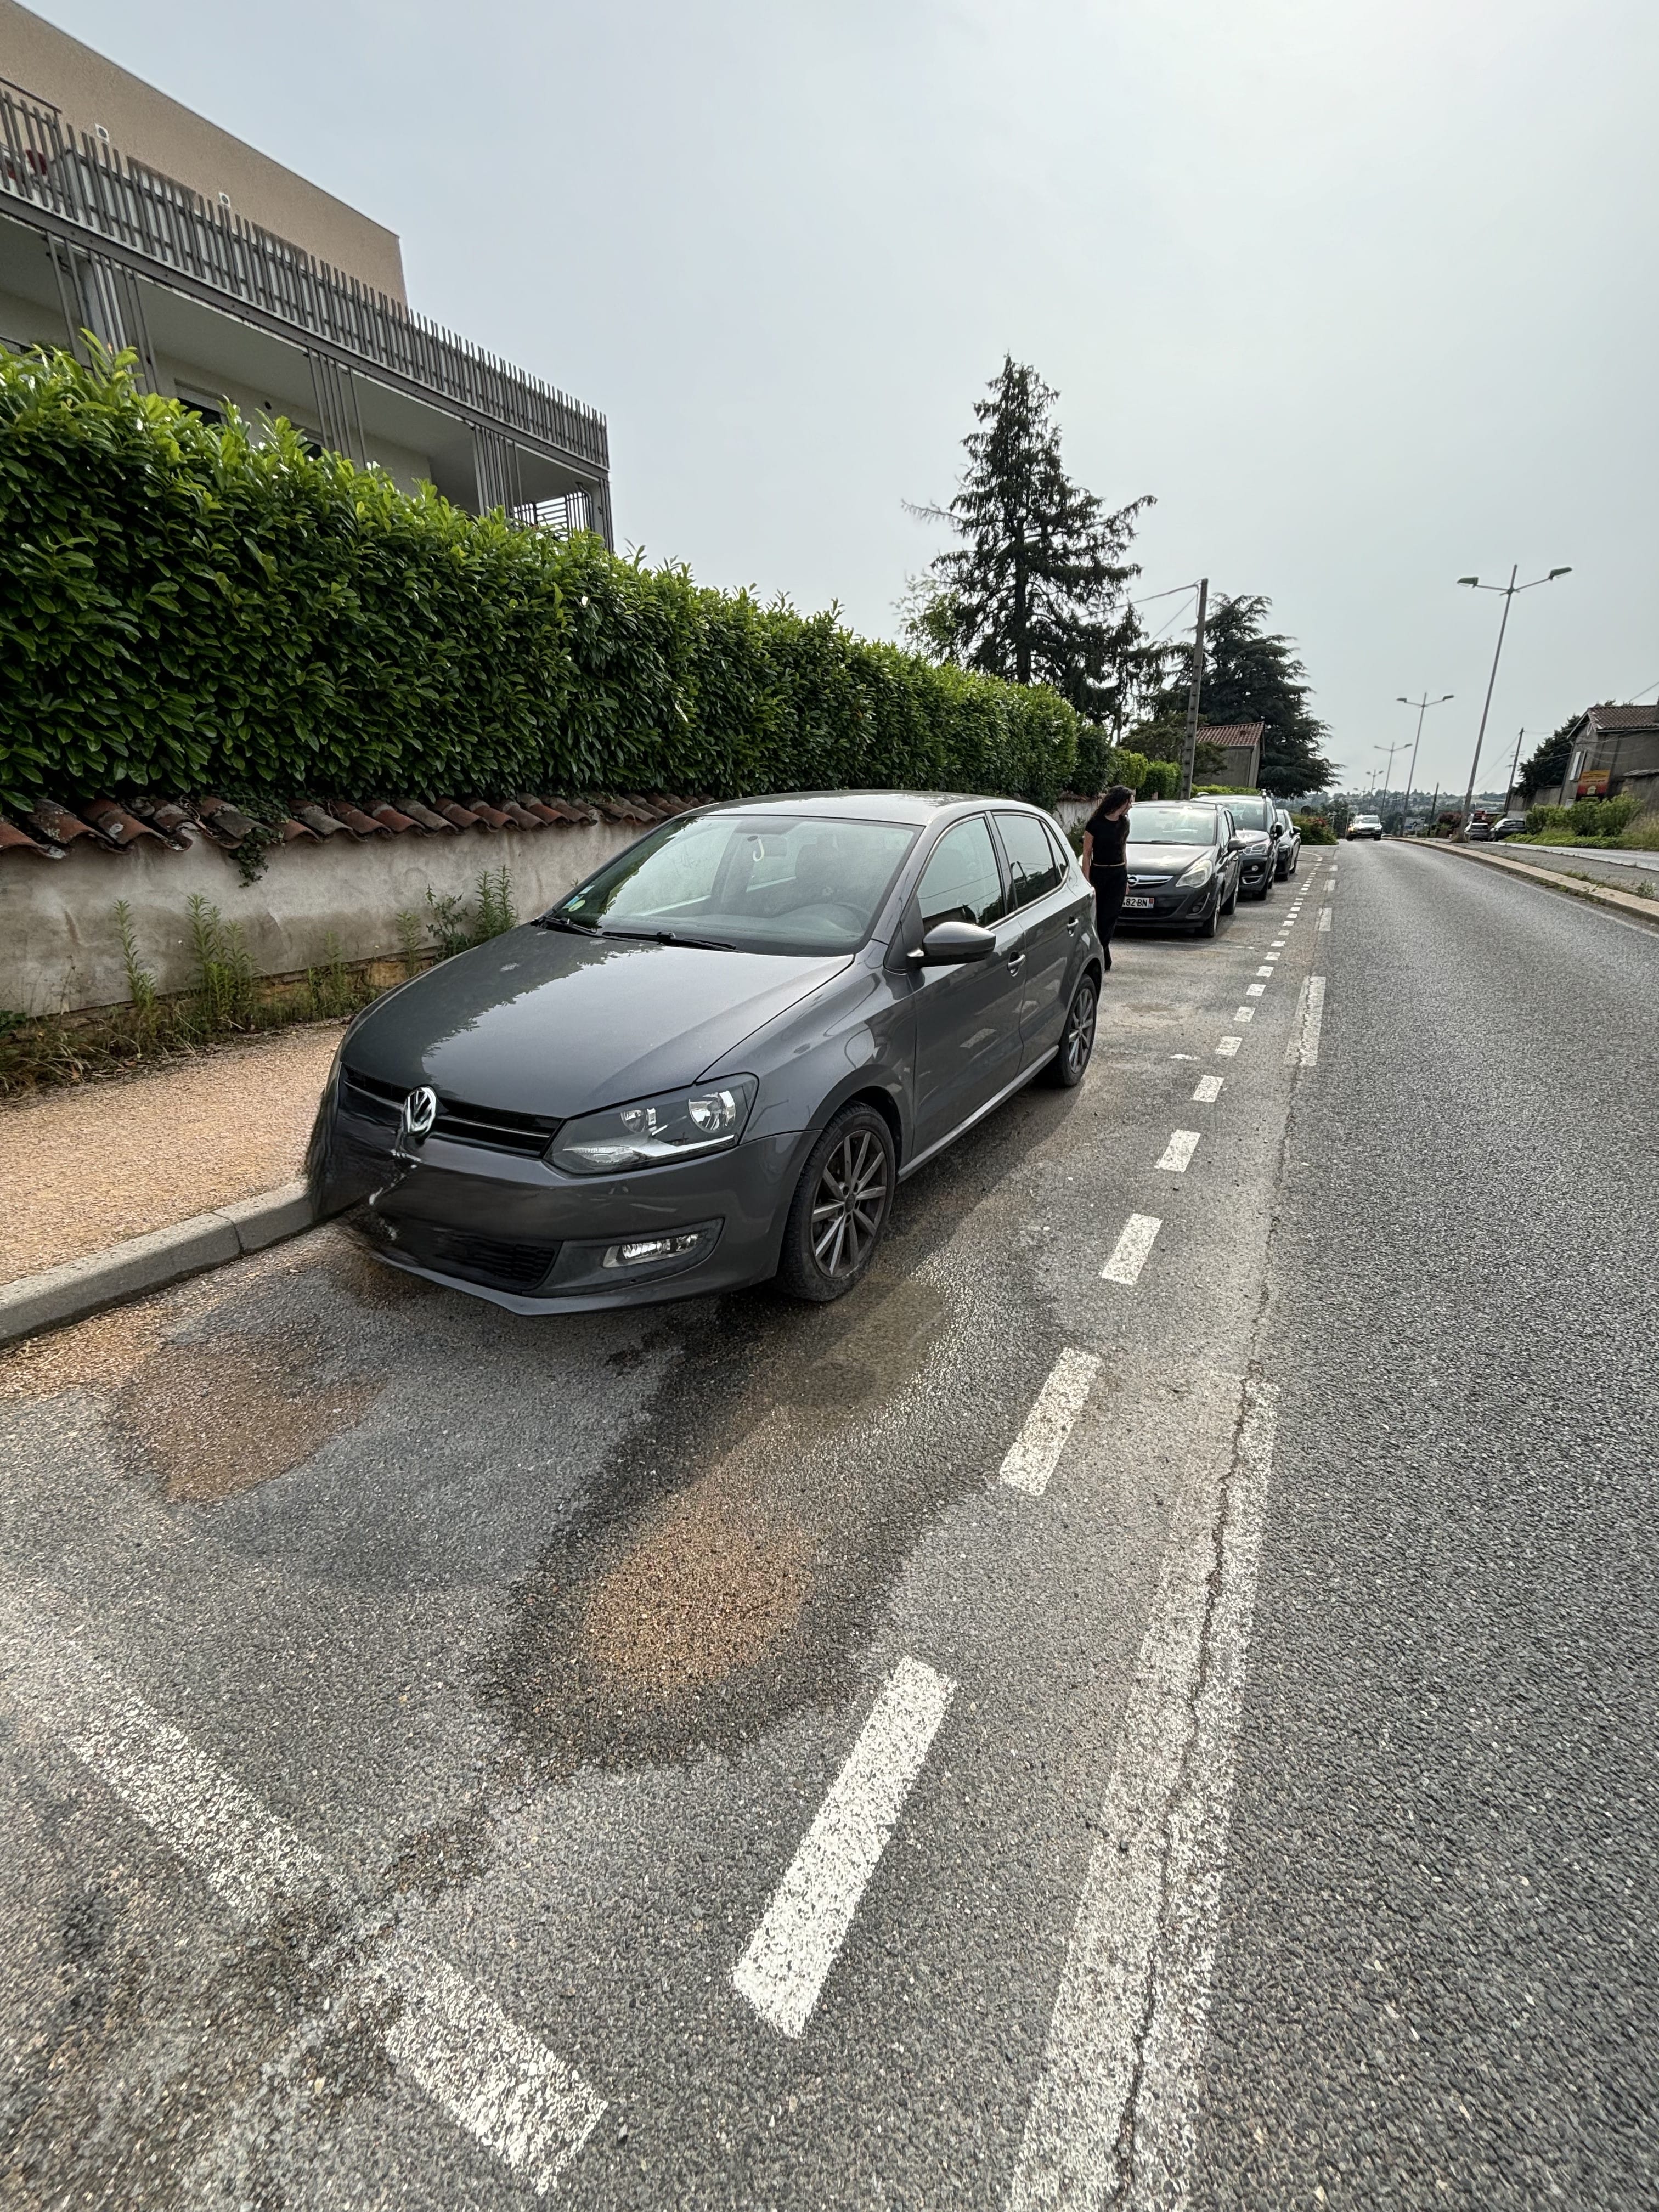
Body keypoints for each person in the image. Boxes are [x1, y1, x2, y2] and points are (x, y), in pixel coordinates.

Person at [1080, 783, 1135, 970]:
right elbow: (1087, 854)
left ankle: (1102, 954)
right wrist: (1087, 882)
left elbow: (1124, 850)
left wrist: (1126, 878)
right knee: (1099, 917)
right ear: (1120, 802)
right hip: (1099, 874)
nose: (1131, 806)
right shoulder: (1095, 824)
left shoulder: (1125, 823)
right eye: (1129, 802)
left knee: (1110, 917)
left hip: (1118, 876)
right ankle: (1103, 955)